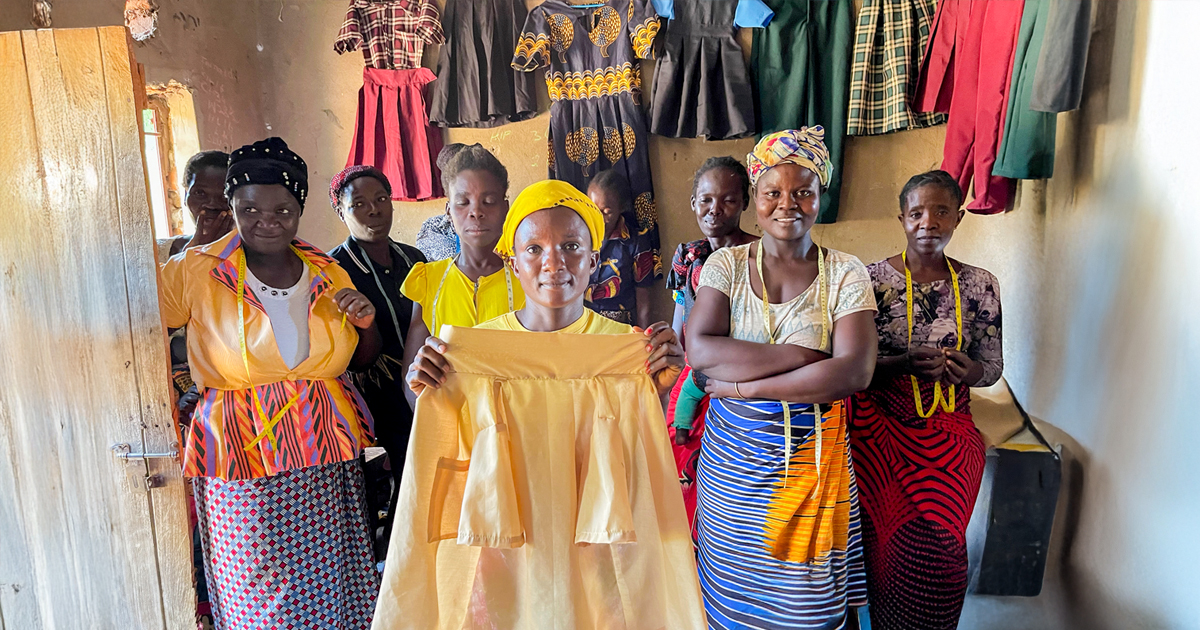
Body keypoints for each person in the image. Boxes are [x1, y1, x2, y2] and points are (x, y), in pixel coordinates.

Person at [158, 137, 382, 629]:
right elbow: (143, 326)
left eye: (283, 208)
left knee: (331, 573)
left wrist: (366, 324)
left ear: (299, 209)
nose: (267, 219)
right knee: (254, 584)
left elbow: (360, 360)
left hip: (324, 444)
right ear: (231, 207)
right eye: (250, 207)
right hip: (241, 446)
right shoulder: (199, 270)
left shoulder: (326, 269)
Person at [684, 127, 878, 629]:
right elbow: (700, 350)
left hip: (812, 473)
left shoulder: (846, 273)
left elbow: (853, 371)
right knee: (732, 601)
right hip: (732, 474)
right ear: (756, 197)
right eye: (773, 192)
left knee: (805, 608)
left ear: (820, 197)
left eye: (803, 192)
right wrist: (804, 355)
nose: (787, 204)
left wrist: (741, 385)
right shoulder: (724, 264)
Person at [849, 170, 1003, 630]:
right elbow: (850, 367)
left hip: (949, 427)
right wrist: (900, 365)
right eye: (916, 212)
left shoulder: (981, 285)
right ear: (901, 219)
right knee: (885, 552)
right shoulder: (867, 281)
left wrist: (968, 370)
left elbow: (991, 368)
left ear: (958, 217)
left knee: (942, 553)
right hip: (878, 428)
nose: (928, 222)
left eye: (940, 211)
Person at [405, 178, 682, 390]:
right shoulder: (478, 351)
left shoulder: (624, 346)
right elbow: (457, 446)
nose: (554, 263)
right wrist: (433, 389)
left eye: (571, 246)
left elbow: (640, 449)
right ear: (513, 265)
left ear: (594, 260)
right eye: (534, 249)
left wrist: (656, 391)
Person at [327, 165, 427, 557]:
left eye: (381, 200)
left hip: (420, 383)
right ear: (342, 212)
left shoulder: (413, 258)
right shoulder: (336, 269)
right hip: (373, 393)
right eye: (360, 204)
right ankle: (393, 559)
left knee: (422, 472)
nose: (374, 211)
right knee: (404, 472)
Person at [663, 156, 758, 531]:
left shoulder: (759, 256)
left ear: (745, 203)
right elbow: (680, 319)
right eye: (705, 200)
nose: (714, 210)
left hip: (737, 382)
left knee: (731, 486)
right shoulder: (688, 256)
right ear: (693, 203)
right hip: (692, 376)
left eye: (728, 200)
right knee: (682, 471)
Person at [400, 143, 522, 409]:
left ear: (505, 208)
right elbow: (412, 380)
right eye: (463, 202)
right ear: (448, 211)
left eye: (488, 202)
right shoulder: (427, 281)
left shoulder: (528, 280)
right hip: (451, 426)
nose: (475, 212)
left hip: (517, 424)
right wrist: (419, 396)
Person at [585, 169, 662, 328]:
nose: (599, 219)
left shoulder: (636, 242)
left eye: (607, 213)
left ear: (621, 208)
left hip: (618, 325)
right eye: (593, 210)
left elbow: (643, 297)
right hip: (582, 322)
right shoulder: (577, 238)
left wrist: (641, 339)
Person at [156, 150, 234, 261]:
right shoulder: (156, 254)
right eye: (200, 193)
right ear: (185, 195)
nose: (212, 205)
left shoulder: (257, 256)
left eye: (225, 195)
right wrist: (192, 253)